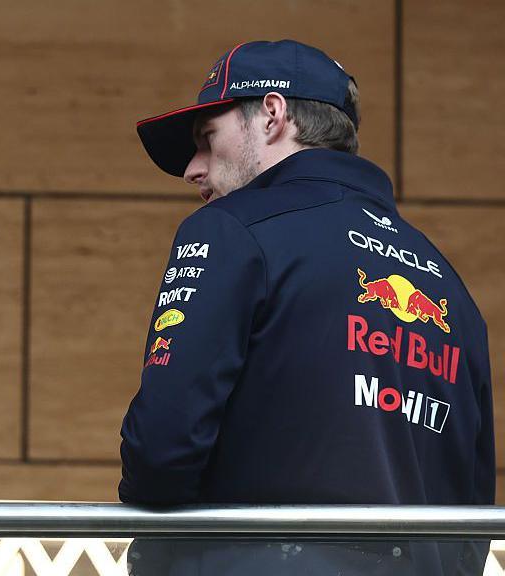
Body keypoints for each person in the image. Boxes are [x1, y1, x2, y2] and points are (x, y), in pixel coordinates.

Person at [120, 40, 494, 575]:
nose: (193, 170)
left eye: (207, 139)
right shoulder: (450, 287)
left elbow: (161, 448)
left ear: (272, 114)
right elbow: (471, 511)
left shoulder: (233, 228)